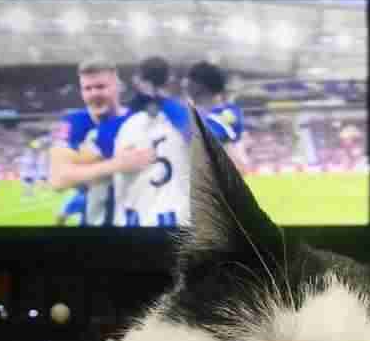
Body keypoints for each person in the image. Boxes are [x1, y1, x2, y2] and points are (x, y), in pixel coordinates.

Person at [49, 58, 155, 226]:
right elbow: (58, 179)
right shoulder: (74, 122)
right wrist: (117, 165)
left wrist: (87, 169)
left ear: (117, 86)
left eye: (100, 87)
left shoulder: (139, 120)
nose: (94, 94)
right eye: (87, 88)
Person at [107, 56, 192, 227]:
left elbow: (107, 150)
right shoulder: (181, 114)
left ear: (139, 80)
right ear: (167, 80)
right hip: (173, 216)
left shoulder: (124, 119)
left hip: (135, 217)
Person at [183, 61, 245, 146]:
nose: (185, 86)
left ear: (199, 85)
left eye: (189, 81)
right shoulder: (233, 111)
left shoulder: (228, 113)